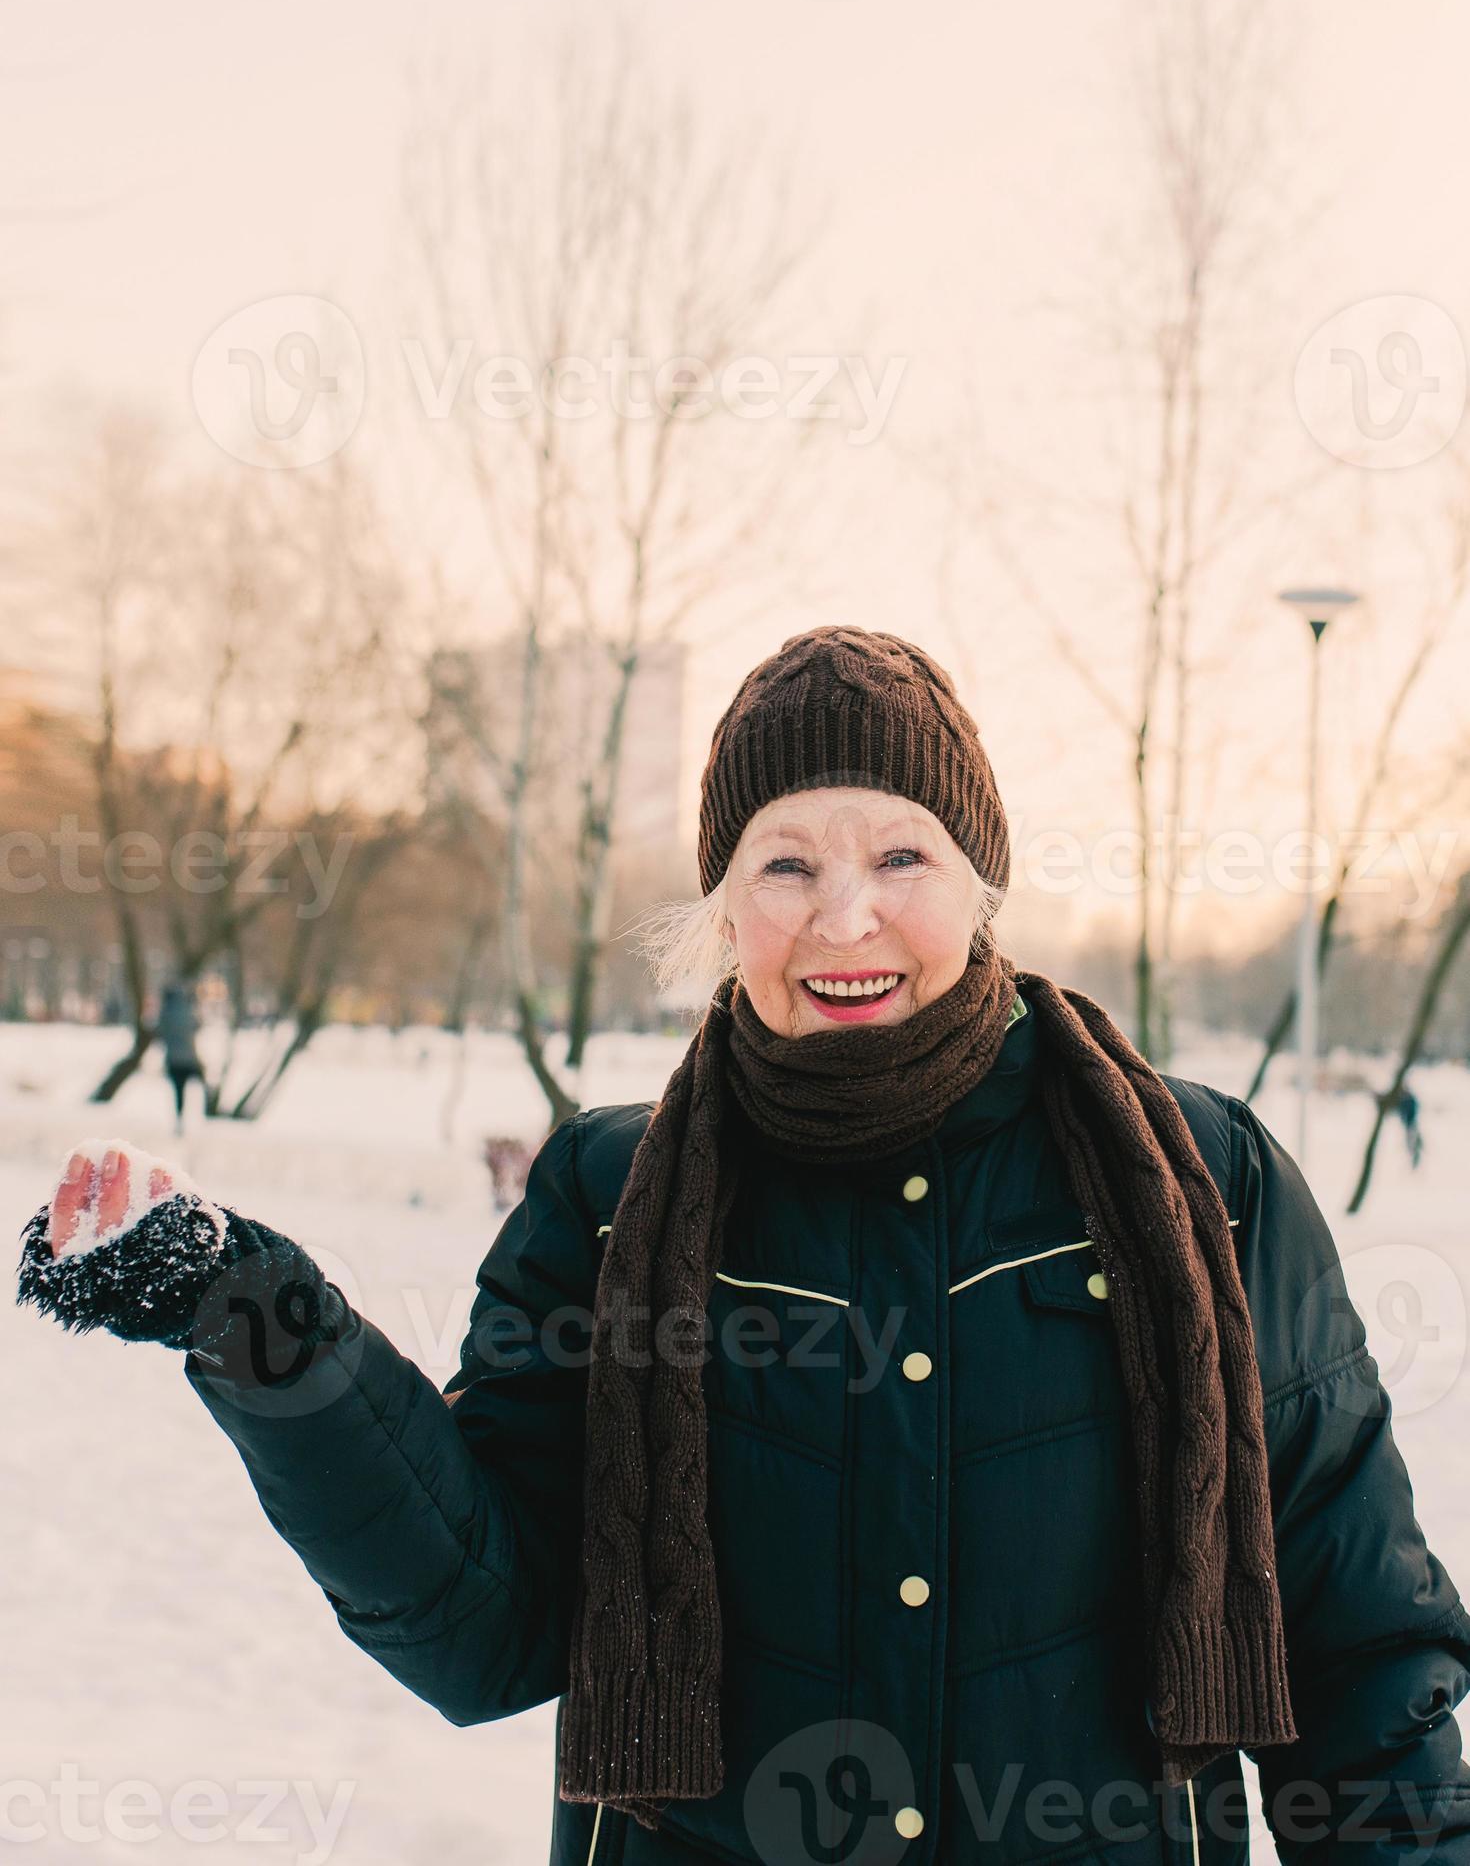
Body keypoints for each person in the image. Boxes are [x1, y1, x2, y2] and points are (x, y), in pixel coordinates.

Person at [16, 625, 1470, 1866]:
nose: (845, 917)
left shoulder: (1197, 1181)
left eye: (901, 853)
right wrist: (251, 1314)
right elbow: (485, 1627)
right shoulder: (608, 1196)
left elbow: (1355, 1650)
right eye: (785, 865)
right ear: (723, 906)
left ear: (980, 881)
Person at [157, 980, 205, 1133]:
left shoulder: (165, 1013)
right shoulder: (189, 1011)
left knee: (179, 1090)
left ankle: (179, 1117)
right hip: (190, 1058)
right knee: (202, 1084)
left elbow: (160, 1033)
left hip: (173, 1060)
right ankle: (205, 1113)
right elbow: (198, 1026)